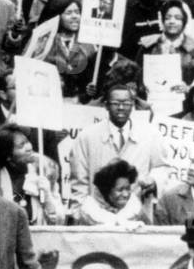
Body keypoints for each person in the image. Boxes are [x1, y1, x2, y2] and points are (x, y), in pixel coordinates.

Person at [68, 83, 166, 217]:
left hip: (137, 215)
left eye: (126, 103)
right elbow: (79, 182)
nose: (121, 108)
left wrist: (153, 180)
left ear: (132, 105)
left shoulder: (151, 134)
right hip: (97, 216)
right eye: (115, 103)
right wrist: (80, 214)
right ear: (106, 105)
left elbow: (162, 167)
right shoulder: (87, 136)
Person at [137, 0, 194, 87]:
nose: (172, 21)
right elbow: (136, 75)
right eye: (167, 18)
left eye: (178, 18)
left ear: (184, 21)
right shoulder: (149, 45)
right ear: (162, 20)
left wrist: (188, 89)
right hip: (152, 98)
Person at [76, 158, 150, 228]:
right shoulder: (90, 211)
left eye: (128, 189)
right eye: (120, 190)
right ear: (107, 190)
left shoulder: (135, 208)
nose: (126, 194)